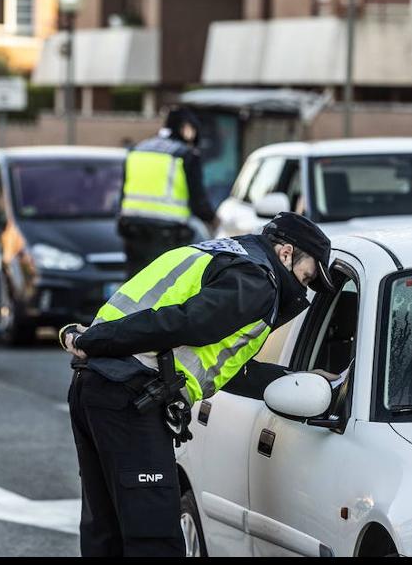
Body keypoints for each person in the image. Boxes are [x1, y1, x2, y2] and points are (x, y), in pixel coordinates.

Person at [61, 212, 332, 557]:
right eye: (307, 275)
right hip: (129, 397)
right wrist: (95, 340)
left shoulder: (219, 254)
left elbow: (225, 364)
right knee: (153, 538)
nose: (304, 286)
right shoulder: (257, 280)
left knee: (105, 532)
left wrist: (297, 380)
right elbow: (182, 323)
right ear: (286, 253)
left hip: (96, 386)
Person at [117, 108, 218, 278]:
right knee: (164, 284)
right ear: (187, 129)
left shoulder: (138, 149)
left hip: (132, 228)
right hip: (167, 233)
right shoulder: (185, 154)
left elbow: (123, 192)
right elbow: (198, 200)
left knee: (135, 282)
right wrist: (212, 219)